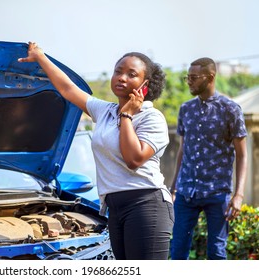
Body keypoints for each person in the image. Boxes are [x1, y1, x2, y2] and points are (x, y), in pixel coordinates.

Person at [18, 42, 173, 260]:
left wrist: (127, 116)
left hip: (146, 204)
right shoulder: (106, 111)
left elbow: (134, 158)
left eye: (131, 74)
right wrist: (40, 57)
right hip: (114, 207)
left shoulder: (151, 117)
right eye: (118, 71)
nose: (121, 78)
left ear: (145, 85)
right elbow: (68, 89)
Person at [170, 57, 248, 260]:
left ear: (210, 77)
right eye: (188, 77)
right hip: (186, 192)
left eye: (194, 77)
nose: (189, 81)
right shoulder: (185, 109)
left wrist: (238, 195)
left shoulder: (231, 110)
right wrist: (173, 188)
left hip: (217, 193)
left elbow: (242, 155)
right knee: (177, 249)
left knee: (217, 252)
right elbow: (182, 149)